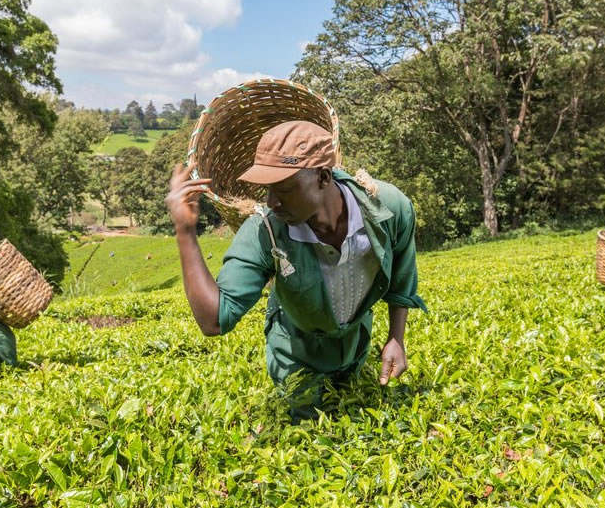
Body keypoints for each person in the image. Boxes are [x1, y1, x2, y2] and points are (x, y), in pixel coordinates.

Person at [166, 120, 426, 420]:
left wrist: (396, 338)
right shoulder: (265, 231)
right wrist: (185, 231)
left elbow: (401, 281)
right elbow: (214, 320)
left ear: (324, 177)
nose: (272, 201)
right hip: (295, 355)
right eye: (268, 190)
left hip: (356, 344)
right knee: (308, 434)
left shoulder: (388, 208)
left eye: (285, 188)